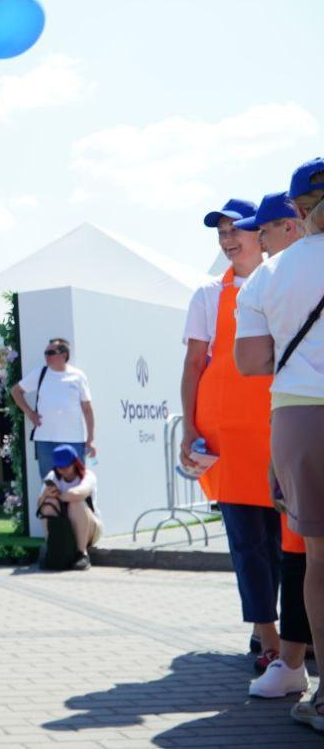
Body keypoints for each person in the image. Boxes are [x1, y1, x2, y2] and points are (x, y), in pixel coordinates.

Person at [235, 158, 324, 724]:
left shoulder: (268, 275)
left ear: (296, 210)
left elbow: (249, 363)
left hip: (298, 417)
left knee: (319, 560)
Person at [182, 197, 284, 668]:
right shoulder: (207, 294)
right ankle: (267, 635)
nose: (226, 242)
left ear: (260, 234)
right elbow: (194, 364)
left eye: (234, 232)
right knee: (247, 539)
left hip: (278, 425)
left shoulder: (286, 282)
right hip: (226, 430)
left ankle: (292, 631)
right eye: (220, 234)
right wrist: (189, 426)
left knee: (288, 539)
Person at [11, 339, 96, 482]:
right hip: (45, 441)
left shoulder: (78, 376)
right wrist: (30, 413)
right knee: (50, 484)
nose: (46, 356)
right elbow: (15, 391)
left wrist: (90, 439)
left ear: (64, 355)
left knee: (76, 482)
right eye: (46, 353)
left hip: (73, 440)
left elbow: (87, 408)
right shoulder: (40, 373)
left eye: (51, 352)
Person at [35, 444, 102, 570]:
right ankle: (53, 549)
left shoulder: (88, 476)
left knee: (76, 502)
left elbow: (79, 493)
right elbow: (39, 506)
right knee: (48, 504)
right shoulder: (52, 476)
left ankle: (82, 554)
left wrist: (59, 496)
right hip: (64, 526)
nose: (63, 469)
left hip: (91, 527)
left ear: (75, 463)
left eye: (67, 465)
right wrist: (45, 495)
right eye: (60, 466)